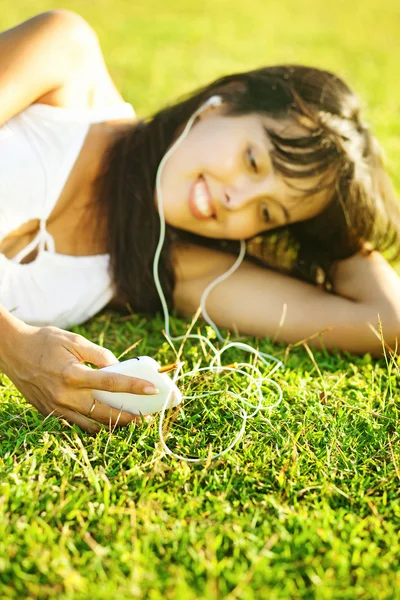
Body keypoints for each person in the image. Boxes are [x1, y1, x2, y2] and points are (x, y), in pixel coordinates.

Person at [1, 10, 400, 434]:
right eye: (253, 161)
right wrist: (11, 344)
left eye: (266, 212)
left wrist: (331, 226)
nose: (236, 200)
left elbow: (385, 321)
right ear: (223, 102)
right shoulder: (65, 61)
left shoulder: (177, 267)